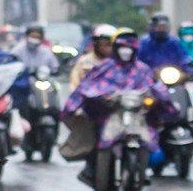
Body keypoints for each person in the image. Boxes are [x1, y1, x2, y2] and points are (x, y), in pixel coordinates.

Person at [63, 30, 180, 171]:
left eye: (129, 48)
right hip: (109, 114)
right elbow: (88, 86)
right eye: (122, 48)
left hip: (137, 115)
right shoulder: (105, 67)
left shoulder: (142, 69)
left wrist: (159, 99)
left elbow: (156, 87)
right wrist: (102, 97)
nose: (126, 52)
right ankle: (94, 169)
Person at [69, 23, 119, 90]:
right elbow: (74, 84)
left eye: (109, 44)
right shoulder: (84, 61)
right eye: (102, 43)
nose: (106, 48)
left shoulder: (120, 62)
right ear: (95, 43)